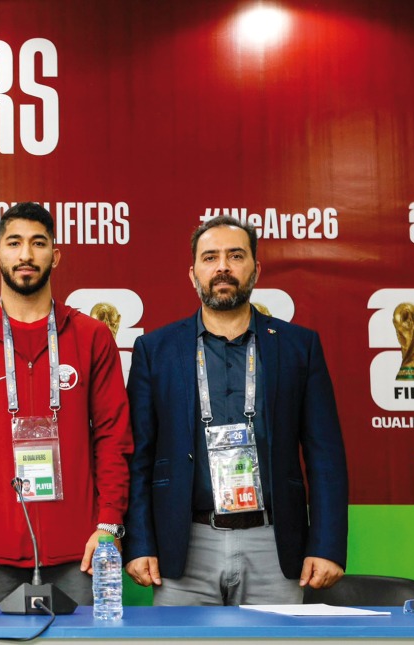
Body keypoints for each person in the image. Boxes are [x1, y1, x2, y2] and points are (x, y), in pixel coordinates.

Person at [124, 215, 348, 606]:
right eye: (210, 258)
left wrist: (327, 544)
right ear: (192, 273)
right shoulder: (156, 350)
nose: (223, 267)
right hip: (184, 546)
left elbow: (324, 455)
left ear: (256, 270)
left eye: (236, 256)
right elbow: (138, 456)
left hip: (274, 545)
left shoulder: (298, 347)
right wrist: (140, 541)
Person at [0, 202, 133, 606]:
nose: (26, 255)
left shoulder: (91, 337)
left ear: (55, 255)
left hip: (81, 553)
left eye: (38, 243)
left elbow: (114, 438)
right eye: (14, 243)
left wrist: (108, 523)